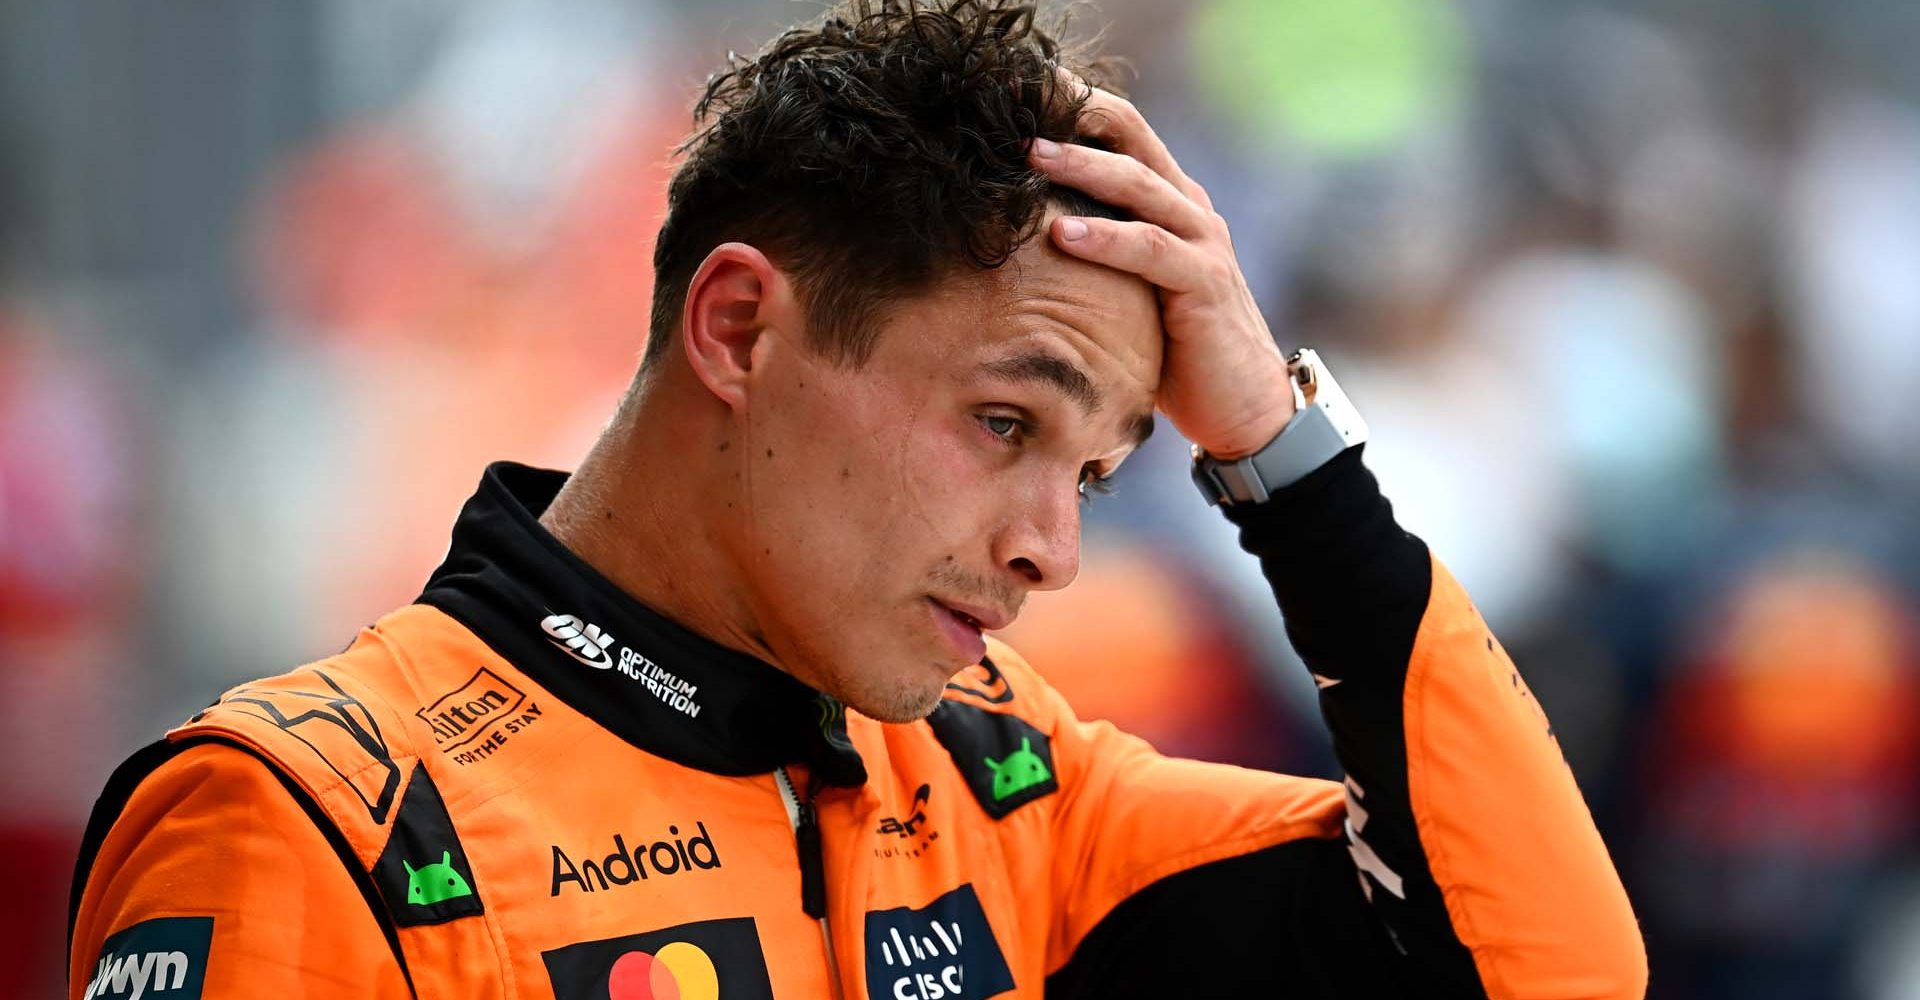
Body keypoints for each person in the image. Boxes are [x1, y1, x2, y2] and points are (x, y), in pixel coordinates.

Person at [67, 2, 1646, 997]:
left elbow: (1549, 968)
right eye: (1004, 420)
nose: (1054, 548)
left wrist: (1282, 462)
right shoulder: (312, 822)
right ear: (740, 327)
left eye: (1099, 471)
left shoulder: (1007, 794)